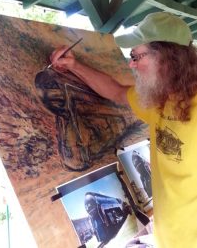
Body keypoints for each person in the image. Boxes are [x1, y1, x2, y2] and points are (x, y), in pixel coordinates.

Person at [50, 12, 197, 248]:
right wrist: (74, 66)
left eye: (136, 56)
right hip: (167, 239)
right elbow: (117, 91)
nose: (131, 64)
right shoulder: (161, 100)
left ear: (168, 59)